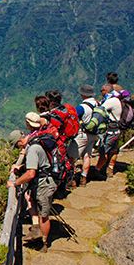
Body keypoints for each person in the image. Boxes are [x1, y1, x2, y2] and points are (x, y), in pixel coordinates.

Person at [7, 112, 57, 252]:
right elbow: (35, 166)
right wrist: (20, 167)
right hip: (40, 181)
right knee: (29, 199)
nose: (18, 149)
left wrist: (15, 183)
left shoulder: (33, 148)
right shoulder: (32, 145)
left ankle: (44, 243)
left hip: (44, 184)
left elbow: (31, 173)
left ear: (19, 141)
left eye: (17, 146)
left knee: (44, 215)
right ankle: (36, 230)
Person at [68, 84, 99, 187]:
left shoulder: (82, 107)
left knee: (71, 157)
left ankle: (71, 180)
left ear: (83, 94)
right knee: (87, 156)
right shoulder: (98, 104)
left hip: (82, 134)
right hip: (94, 134)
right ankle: (83, 178)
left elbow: (72, 117)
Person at [95, 91, 123, 177]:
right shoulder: (118, 101)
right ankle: (110, 169)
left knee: (104, 151)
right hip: (117, 130)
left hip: (110, 130)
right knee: (114, 150)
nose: (100, 92)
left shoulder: (111, 101)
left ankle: (97, 170)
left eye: (102, 90)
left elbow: (100, 110)